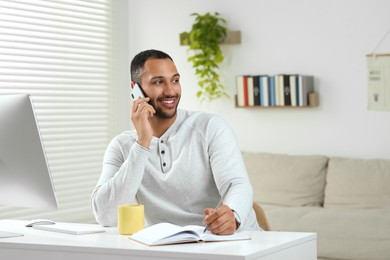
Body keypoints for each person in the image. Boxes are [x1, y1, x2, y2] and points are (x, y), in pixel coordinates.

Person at [91, 49, 260, 235]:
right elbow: (106, 216)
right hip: (171, 247)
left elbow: (237, 184)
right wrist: (142, 144)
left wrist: (233, 216)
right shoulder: (121, 146)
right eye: (158, 82)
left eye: (175, 80)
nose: (171, 91)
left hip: (233, 240)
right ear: (135, 89)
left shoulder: (210, 127)